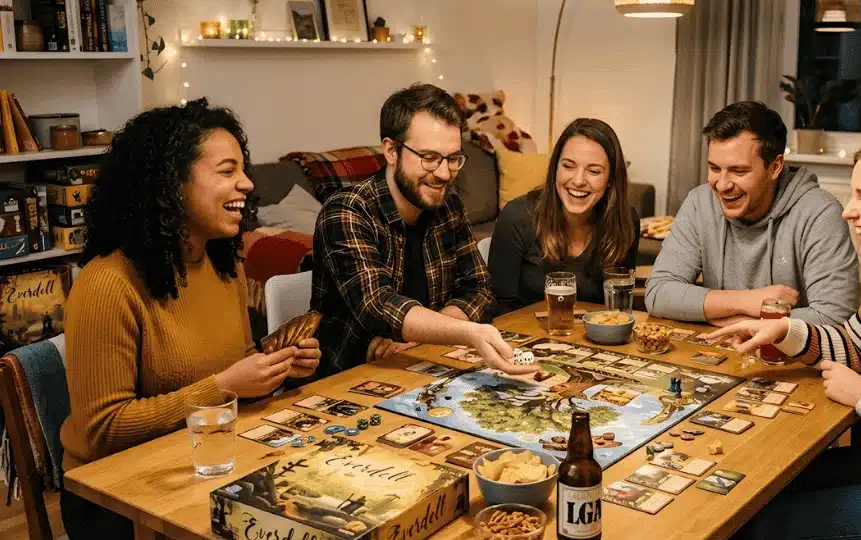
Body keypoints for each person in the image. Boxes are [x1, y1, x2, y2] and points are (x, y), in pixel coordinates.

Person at [59, 99, 322, 539]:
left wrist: (276, 366)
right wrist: (222, 388)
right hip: (118, 501)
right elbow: (102, 430)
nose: (247, 183)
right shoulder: (108, 284)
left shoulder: (221, 263)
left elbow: (231, 360)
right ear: (171, 184)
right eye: (226, 171)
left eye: (243, 169)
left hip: (202, 462)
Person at [708, 131, 861, 539]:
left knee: (769, 525)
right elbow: (856, 347)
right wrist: (786, 332)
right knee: (751, 489)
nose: (848, 211)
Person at [312, 83, 537, 376]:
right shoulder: (347, 211)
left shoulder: (448, 206)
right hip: (349, 382)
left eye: (453, 158)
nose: (444, 174)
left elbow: (480, 288)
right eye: (429, 158)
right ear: (391, 151)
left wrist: (427, 332)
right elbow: (378, 304)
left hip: (426, 368)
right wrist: (465, 332)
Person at [645, 101, 860, 326]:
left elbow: (835, 318)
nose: (722, 185)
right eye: (715, 168)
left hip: (788, 359)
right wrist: (748, 302)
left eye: (739, 171)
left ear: (775, 167)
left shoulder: (820, 213)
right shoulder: (700, 203)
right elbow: (658, 293)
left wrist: (733, 320)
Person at [488, 118, 640, 313]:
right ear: (555, 169)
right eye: (568, 166)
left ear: (610, 179)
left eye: (593, 171)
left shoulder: (626, 222)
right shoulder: (517, 217)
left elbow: (617, 310)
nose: (578, 181)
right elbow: (499, 311)